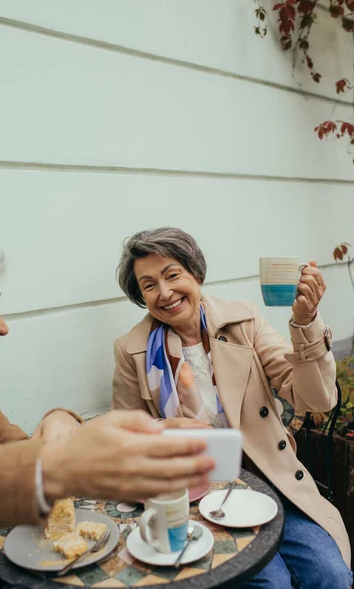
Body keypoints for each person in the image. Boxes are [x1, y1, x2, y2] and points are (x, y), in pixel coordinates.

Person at [0, 227, 214, 589]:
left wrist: (60, 417)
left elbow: (13, 449)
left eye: (173, 275)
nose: (2, 326)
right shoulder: (130, 348)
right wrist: (59, 466)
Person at [112, 227, 352, 589]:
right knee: (272, 585)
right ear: (140, 296)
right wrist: (166, 430)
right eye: (148, 285)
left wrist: (305, 323)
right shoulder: (133, 349)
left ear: (196, 272)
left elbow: (315, 399)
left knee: (330, 575)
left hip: (275, 486)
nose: (164, 293)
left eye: (172, 275)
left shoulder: (244, 321)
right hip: (200, 501)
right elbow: (123, 443)